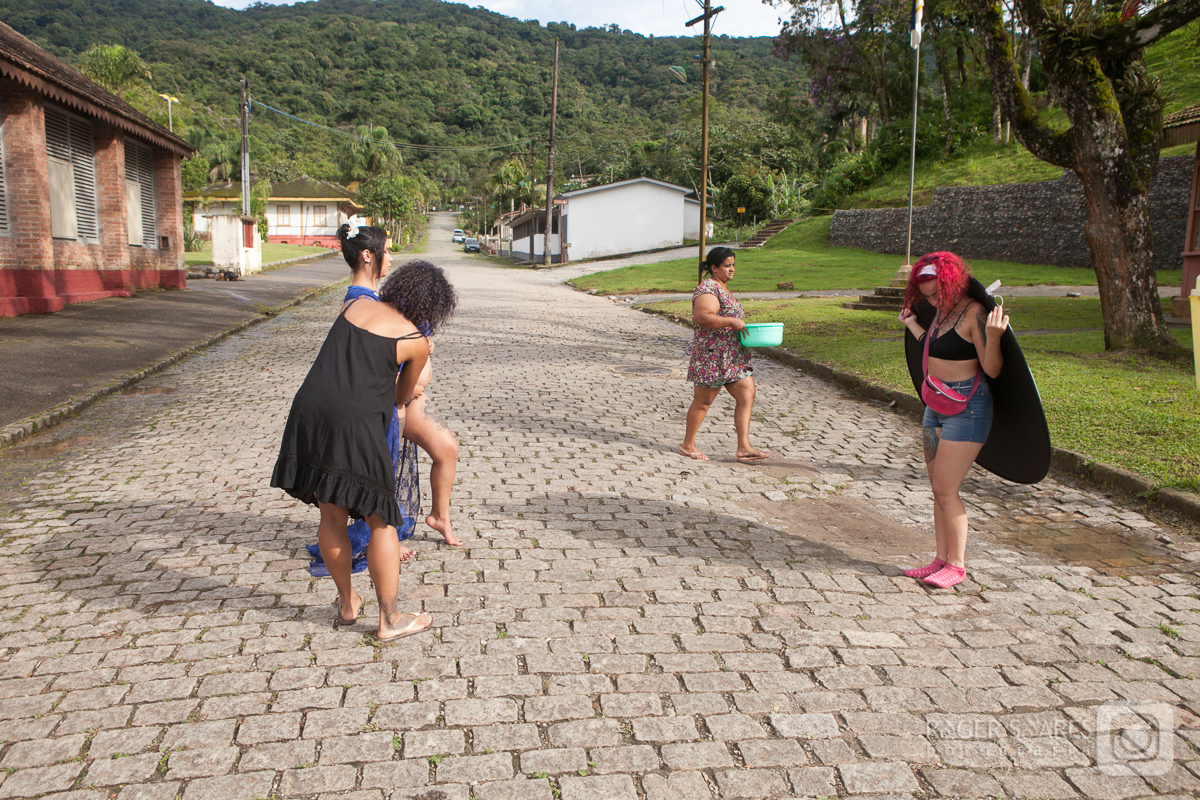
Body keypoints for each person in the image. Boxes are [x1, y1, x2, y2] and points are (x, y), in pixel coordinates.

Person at [271, 225, 456, 641]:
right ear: (433, 307)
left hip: (309, 411)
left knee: (332, 514)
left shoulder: (353, 308)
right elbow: (400, 399)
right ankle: (390, 619)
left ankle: (347, 602)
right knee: (382, 521)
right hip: (355, 425)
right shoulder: (414, 339)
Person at [898, 252, 1009, 589]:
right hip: (937, 402)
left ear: (950, 282)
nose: (932, 300)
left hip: (969, 406)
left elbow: (991, 369)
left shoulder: (974, 314)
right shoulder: (942, 312)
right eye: (927, 295)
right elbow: (935, 349)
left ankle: (957, 566)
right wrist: (914, 324)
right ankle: (940, 558)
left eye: (936, 293)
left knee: (947, 489)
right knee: (938, 490)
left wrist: (994, 337)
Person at [679, 246, 770, 463]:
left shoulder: (722, 287)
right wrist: (731, 321)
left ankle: (744, 447)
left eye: (733, 265)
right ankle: (687, 445)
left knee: (747, 393)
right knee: (703, 401)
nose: (732, 270)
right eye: (727, 265)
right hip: (713, 358)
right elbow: (703, 317)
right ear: (714, 268)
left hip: (733, 358)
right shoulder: (708, 288)